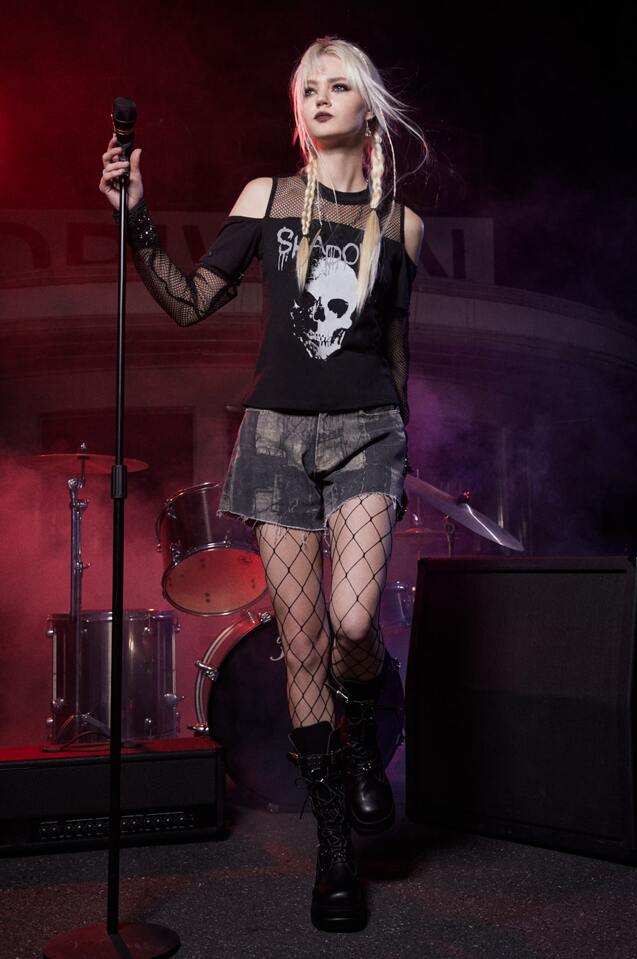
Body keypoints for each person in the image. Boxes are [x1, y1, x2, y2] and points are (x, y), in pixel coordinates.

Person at [99, 35, 425, 933]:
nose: (320, 97)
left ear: (367, 107)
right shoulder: (268, 198)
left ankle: (364, 738)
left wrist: (400, 449)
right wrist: (137, 217)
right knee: (305, 645)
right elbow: (191, 299)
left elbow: (397, 350)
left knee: (354, 623)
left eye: (338, 86)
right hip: (275, 439)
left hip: (368, 433)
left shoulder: (402, 226)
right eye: (308, 87)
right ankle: (334, 850)